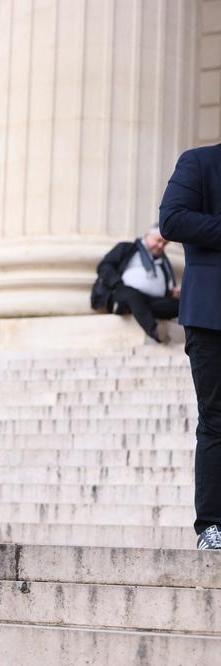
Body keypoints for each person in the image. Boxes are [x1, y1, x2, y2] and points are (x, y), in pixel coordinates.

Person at [160, 143, 221, 550]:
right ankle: (213, 526)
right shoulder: (199, 162)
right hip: (213, 314)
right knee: (217, 419)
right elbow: (172, 219)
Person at [90, 226, 179, 342]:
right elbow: (104, 267)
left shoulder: (163, 262)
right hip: (123, 292)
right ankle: (155, 331)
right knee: (131, 295)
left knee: (179, 304)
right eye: (158, 241)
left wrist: (172, 293)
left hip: (152, 300)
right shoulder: (126, 248)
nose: (161, 246)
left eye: (165, 244)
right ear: (147, 236)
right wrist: (117, 283)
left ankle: (130, 308)